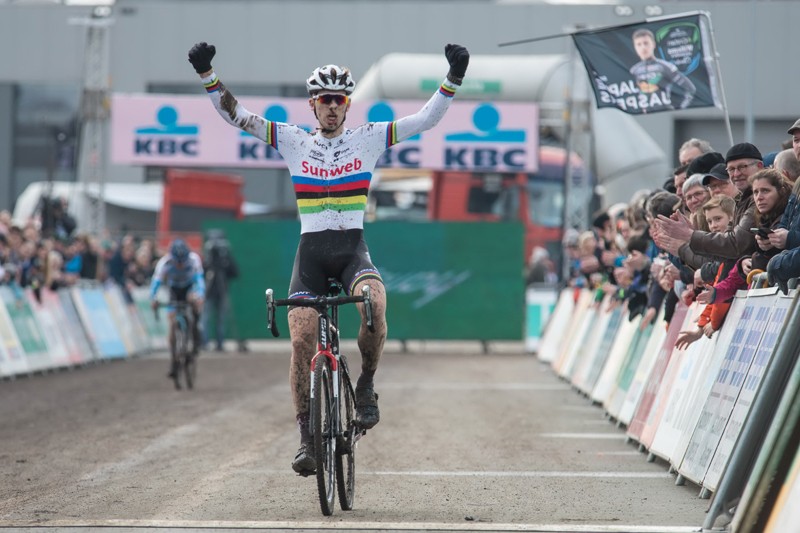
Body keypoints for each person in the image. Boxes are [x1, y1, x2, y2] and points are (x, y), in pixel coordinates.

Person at [187, 40, 470, 475]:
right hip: (312, 256)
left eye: (339, 100)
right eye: (325, 101)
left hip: (351, 249)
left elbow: (425, 119)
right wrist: (208, 74)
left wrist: (453, 78)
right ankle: (307, 439)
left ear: (348, 104)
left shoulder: (369, 138)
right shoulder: (293, 141)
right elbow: (237, 115)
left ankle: (367, 385)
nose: (333, 108)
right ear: (313, 105)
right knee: (301, 341)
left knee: (375, 303)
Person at [149, 238, 205, 380]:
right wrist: (153, 298)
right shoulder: (164, 263)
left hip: (189, 288)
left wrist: (200, 295)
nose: (180, 265)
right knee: (172, 320)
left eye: (182, 261)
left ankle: (195, 337)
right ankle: (174, 359)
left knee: (194, 304)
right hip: (174, 289)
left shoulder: (194, 259)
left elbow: (199, 280)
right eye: (177, 261)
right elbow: (156, 282)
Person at [629, 28, 696, 112]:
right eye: (638, 44)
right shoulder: (634, 70)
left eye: (646, 43)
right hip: (643, 118)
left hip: (665, 113)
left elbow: (690, 89)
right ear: (635, 47)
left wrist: (680, 108)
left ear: (653, 44)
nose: (643, 48)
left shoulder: (664, 66)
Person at [203, 229, 240, 352]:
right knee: (206, 317)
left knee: (220, 318)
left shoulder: (226, 257)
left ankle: (220, 343)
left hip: (222, 290)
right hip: (209, 291)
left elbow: (235, 272)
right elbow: (202, 271)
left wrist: (226, 263)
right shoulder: (207, 257)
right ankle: (204, 342)